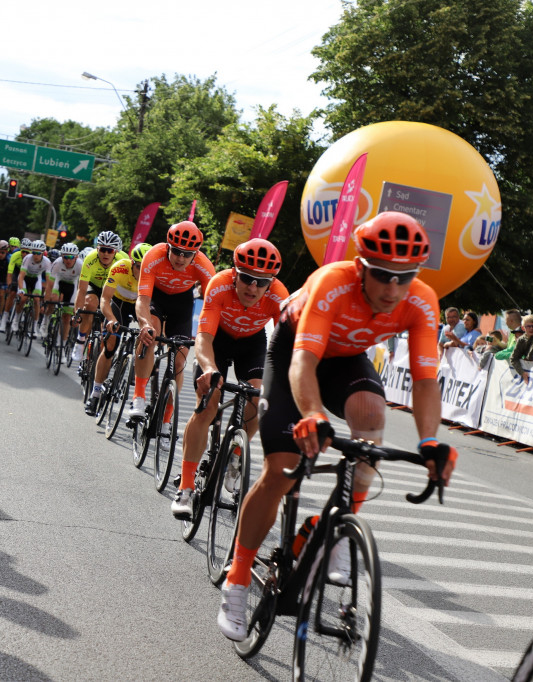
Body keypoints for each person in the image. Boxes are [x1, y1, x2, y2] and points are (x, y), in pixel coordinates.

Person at [216, 212, 457, 642]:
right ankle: (237, 578)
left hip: (345, 359)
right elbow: (303, 363)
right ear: (361, 268)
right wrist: (314, 415)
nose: (393, 289)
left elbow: (424, 381)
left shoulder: (420, 301)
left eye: (405, 277)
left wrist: (430, 441)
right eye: (383, 275)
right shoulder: (334, 282)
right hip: (295, 353)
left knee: (371, 417)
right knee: (282, 468)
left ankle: (334, 526)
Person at [171, 239, 288, 519]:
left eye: (262, 282)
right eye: (247, 279)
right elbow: (204, 337)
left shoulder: (279, 295)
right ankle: (186, 488)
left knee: (260, 398)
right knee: (207, 406)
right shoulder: (220, 284)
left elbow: (288, 347)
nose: (253, 288)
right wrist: (209, 368)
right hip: (218, 341)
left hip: (253, 344)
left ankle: (235, 456)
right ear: (235, 274)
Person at [129, 222, 215, 426]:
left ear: (196, 254)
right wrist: (143, 324)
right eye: (176, 252)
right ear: (168, 247)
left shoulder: (204, 266)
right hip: (156, 299)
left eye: (187, 254)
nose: (181, 258)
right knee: (151, 335)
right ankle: (138, 398)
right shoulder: (154, 255)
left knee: (179, 362)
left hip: (182, 305)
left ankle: (166, 421)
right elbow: (142, 300)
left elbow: (212, 307)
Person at [84, 243, 152, 416]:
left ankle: (134, 366)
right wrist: (112, 320)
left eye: (145, 268)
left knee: (149, 336)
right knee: (110, 345)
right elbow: (105, 299)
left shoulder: (153, 275)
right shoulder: (119, 268)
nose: (141, 272)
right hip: (118, 304)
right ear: (131, 263)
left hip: (139, 306)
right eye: (138, 267)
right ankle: (96, 392)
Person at [72, 232, 128, 362]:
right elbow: (81, 290)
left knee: (107, 332)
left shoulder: (123, 260)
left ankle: (97, 362)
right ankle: (80, 342)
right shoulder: (90, 259)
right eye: (103, 249)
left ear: (116, 251)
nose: (106, 254)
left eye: (110, 250)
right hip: (94, 287)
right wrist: (77, 313)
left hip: (111, 290)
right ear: (97, 249)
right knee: (90, 303)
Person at [43, 242, 83, 347]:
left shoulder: (80, 265)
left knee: (67, 317)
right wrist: (47, 299)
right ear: (62, 256)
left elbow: (82, 287)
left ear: (76, 257)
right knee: (53, 298)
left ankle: (62, 343)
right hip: (58, 282)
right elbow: (50, 284)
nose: (68, 260)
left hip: (72, 285)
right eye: (65, 257)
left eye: (71, 257)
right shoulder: (57, 263)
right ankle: (46, 320)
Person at [14, 240, 51, 334]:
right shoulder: (27, 258)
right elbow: (21, 276)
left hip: (36, 279)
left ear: (43, 253)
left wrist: (47, 292)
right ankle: (16, 320)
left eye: (38, 253)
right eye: (34, 252)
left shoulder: (47, 262)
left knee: (37, 300)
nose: (36, 255)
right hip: (25, 278)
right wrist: (21, 289)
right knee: (23, 299)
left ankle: (34, 326)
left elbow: (48, 281)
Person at [503, 314, 533, 383]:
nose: (531, 328)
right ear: (523, 328)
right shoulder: (521, 340)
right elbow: (514, 358)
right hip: (529, 373)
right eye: (528, 326)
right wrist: (522, 372)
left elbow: (532, 356)